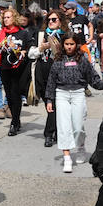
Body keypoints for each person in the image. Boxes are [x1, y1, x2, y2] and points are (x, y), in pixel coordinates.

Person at [45, 33, 103, 174]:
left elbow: (93, 78)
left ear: (76, 44)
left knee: (78, 127)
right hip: (62, 94)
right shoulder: (58, 60)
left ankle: (81, 146)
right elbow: (51, 81)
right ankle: (67, 158)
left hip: (78, 93)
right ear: (62, 45)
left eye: (72, 44)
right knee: (63, 126)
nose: (69, 47)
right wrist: (50, 99)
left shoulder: (82, 60)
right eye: (66, 44)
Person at [0, 7, 35, 136]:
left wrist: (23, 51)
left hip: (19, 68)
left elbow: (30, 46)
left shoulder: (23, 33)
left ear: (14, 18)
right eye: (4, 17)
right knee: (9, 95)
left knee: (16, 94)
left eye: (8, 17)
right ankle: (15, 120)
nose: (6, 20)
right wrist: (1, 46)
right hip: (5, 66)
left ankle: (15, 121)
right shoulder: (2, 33)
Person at [35, 10, 66, 147]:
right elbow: (31, 52)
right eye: (49, 20)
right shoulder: (41, 34)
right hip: (43, 73)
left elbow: (69, 52)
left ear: (61, 21)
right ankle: (56, 131)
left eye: (55, 19)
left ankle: (49, 133)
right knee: (49, 105)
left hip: (59, 74)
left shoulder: (64, 35)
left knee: (54, 105)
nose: (51, 22)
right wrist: (39, 48)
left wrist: (55, 46)